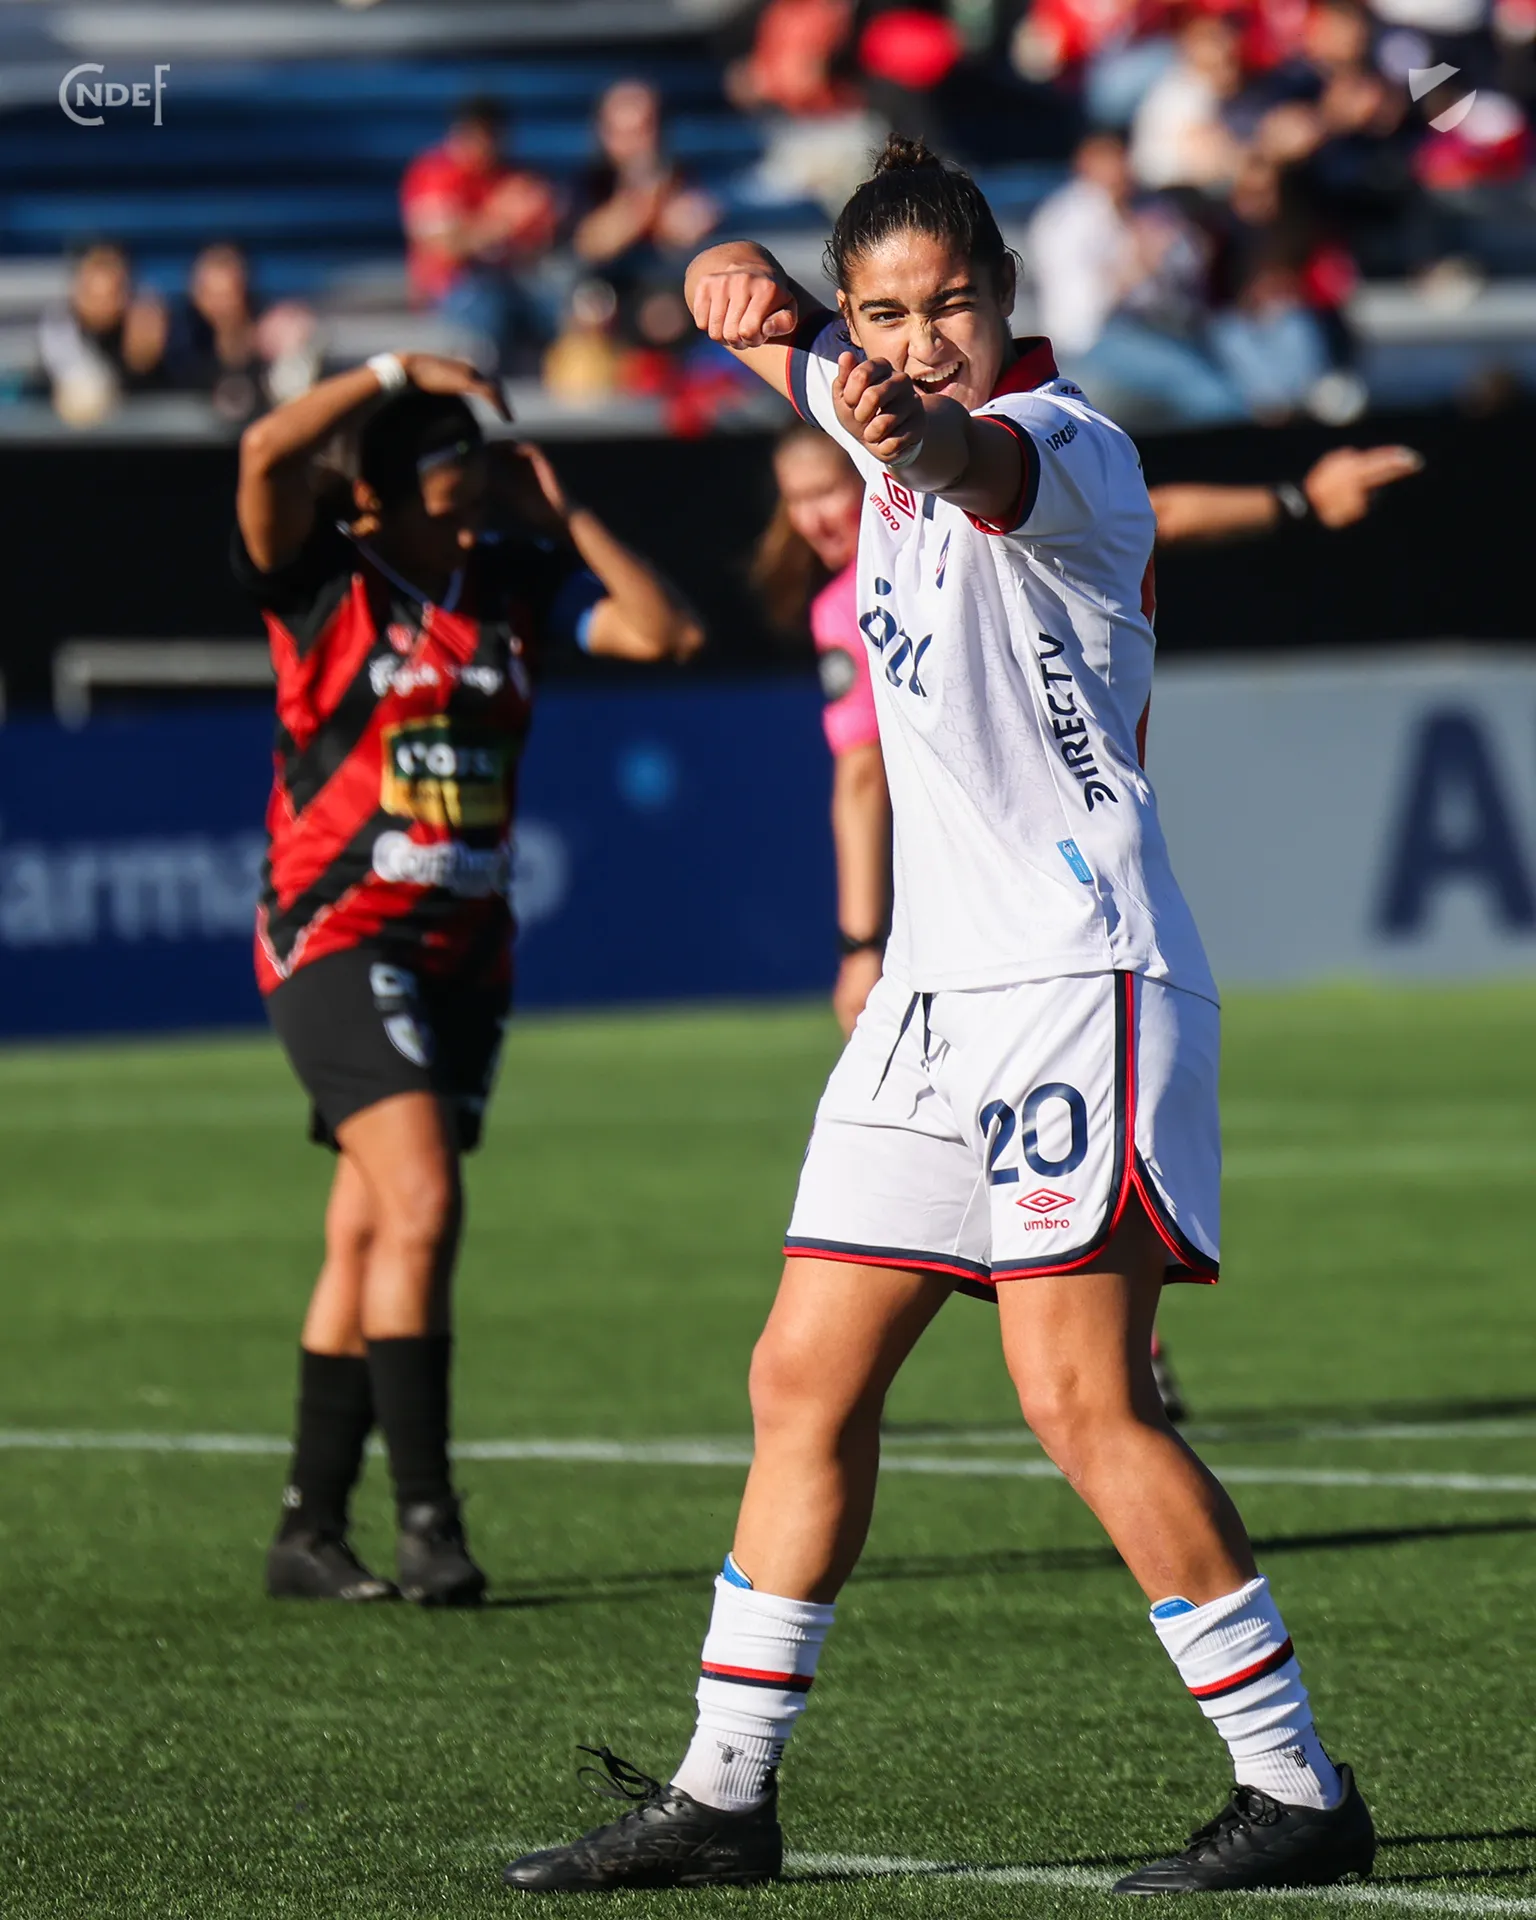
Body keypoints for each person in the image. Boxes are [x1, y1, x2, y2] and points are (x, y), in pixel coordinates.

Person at [502, 136, 1376, 1896]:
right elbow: (796, 349)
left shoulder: (1061, 445)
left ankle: (1297, 1790)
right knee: (800, 1376)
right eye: (887, 314)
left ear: (1009, 299)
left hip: (1073, 978)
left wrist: (853, 378)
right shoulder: (868, 404)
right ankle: (724, 1794)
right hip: (926, 1001)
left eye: (952, 304)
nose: (919, 342)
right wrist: (734, 286)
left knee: (1081, 1401)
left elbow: (947, 447)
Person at [233, 351, 702, 1606]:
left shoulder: (512, 579)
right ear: (379, 494)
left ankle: (305, 1532)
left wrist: (570, 516)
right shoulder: (328, 578)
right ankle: (428, 1522)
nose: (470, 492)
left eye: (477, 473)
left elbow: (667, 631)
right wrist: (389, 370)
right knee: (424, 1202)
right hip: (338, 936)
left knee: (369, 1225)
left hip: (465, 953)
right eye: (447, 471)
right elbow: (267, 454)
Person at [400, 97, 561, 371]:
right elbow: (441, 244)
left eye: (491, 135)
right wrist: (500, 219)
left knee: (563, 305)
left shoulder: (512, 175)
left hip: (513, 283)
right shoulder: (435, 172)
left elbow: (541, 242)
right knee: (487, 311)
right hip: (451, 292)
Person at [39, 241, 168, 425]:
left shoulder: (146, 330)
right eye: (92, 293)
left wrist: (143, 365)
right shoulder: (56, 335)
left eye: (111, 293)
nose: (101, 304)